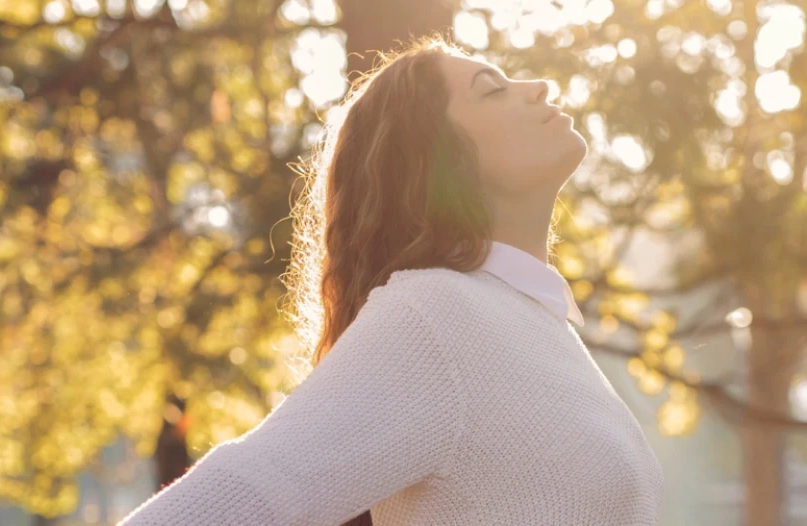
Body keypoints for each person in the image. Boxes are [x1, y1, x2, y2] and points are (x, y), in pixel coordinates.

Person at [118, 35, 666, 525]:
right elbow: (231, 501)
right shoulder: (438, 318)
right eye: (491, 90)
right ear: (438, 161)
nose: (540, 87)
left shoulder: (540, 327)